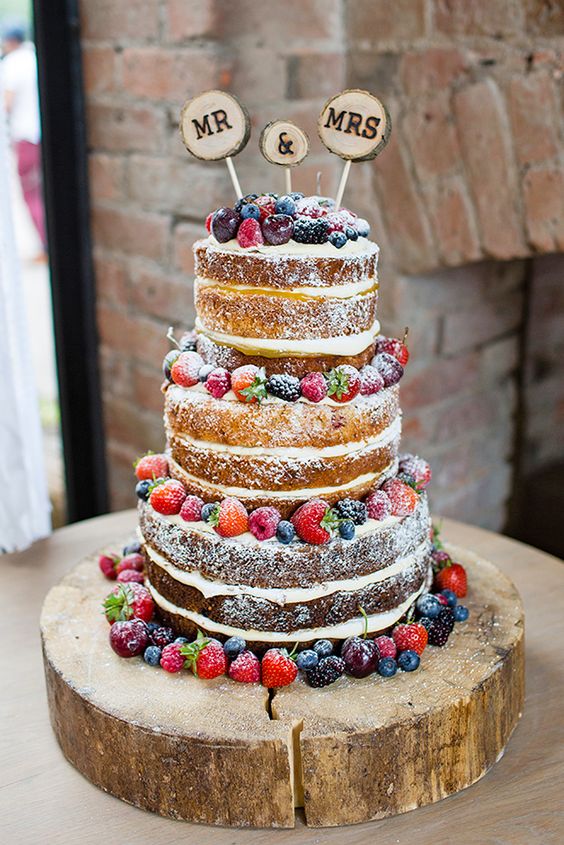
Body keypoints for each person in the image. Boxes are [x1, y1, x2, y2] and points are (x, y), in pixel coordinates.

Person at [1, 25, 47, 258]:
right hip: (43, 135)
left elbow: (6, 105)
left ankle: (45, 244)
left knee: (31, 193)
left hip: (26, 136)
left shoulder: (12, 64)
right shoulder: (34, 57)